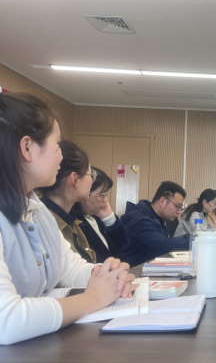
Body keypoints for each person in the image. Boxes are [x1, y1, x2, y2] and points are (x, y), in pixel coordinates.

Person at [0, 92, 135, 345]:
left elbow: (70, 268)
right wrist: (94, 298)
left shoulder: (36, 210)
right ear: (27, 148)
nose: (61, 157)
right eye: (57, 144)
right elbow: (6, 320)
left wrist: (109, 277)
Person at [41, 141, 97, 263]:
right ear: (74, 178)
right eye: (90, 174)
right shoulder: (46, 223)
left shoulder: (70, 220)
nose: (92, 181)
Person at [120, 181, 189, 268]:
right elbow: (162, 246)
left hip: (148, 267)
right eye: (177, 206)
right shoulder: (139, 220)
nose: (179, 212)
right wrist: (194, 240)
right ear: (162, 201)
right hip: (134, 271)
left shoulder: (157, 217)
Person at [74, 167, 127, 263]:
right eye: (102, 195)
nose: (105, 200)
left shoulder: (95, 217)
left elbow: (123, 246)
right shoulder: (75, 224)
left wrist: (109, 218)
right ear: (83, 193)